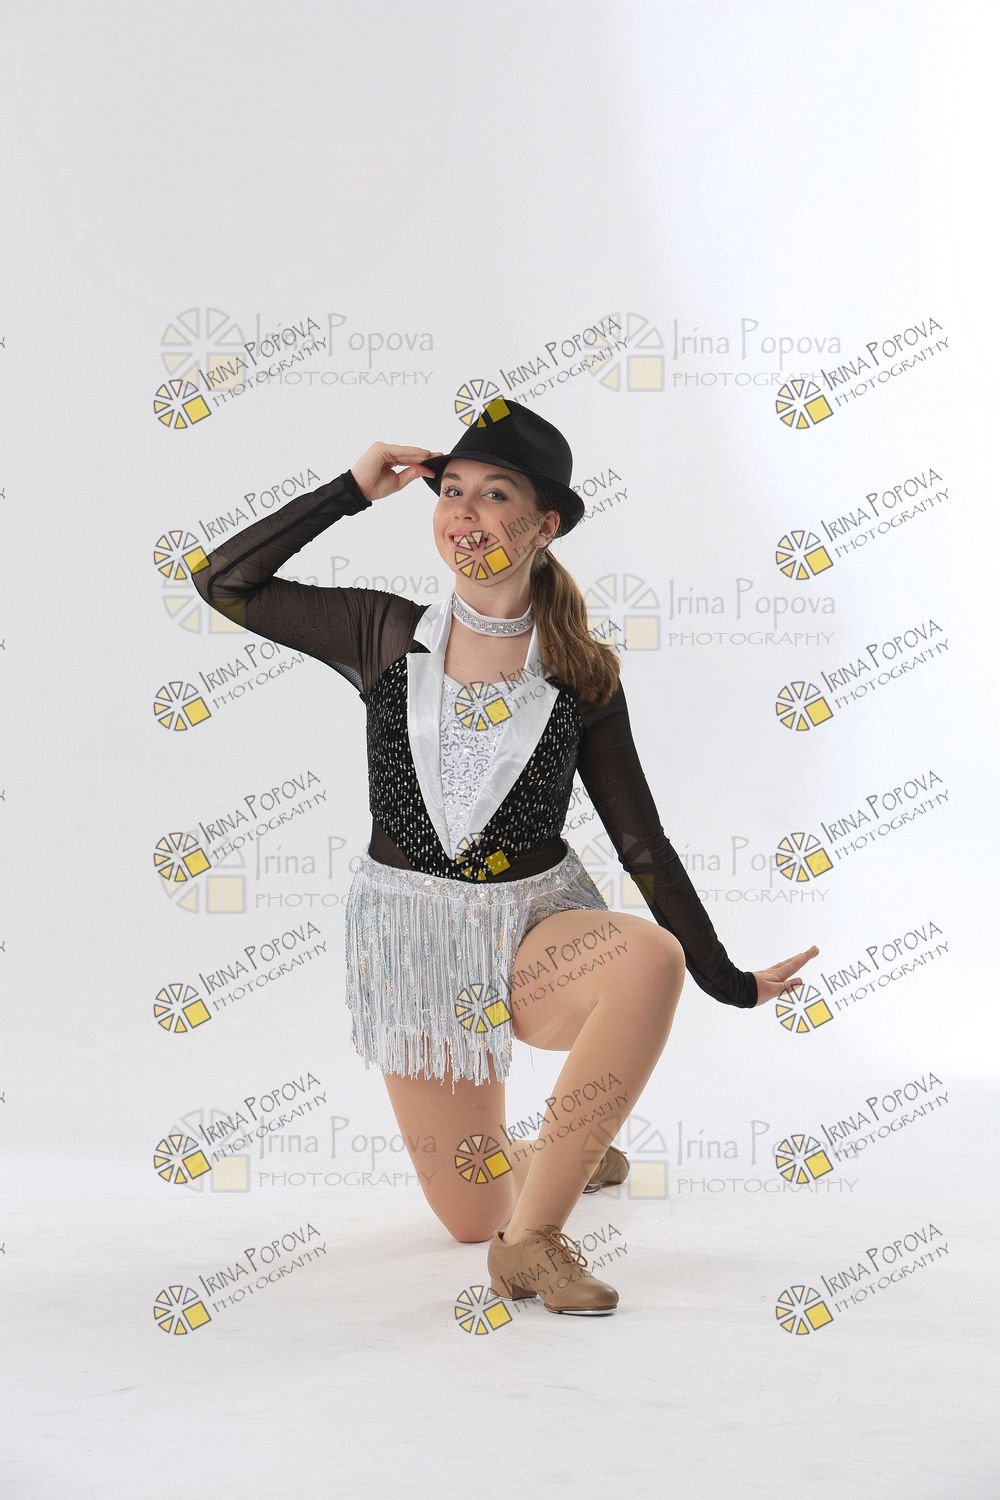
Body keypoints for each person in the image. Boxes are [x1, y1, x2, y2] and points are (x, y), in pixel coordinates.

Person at [190, 399, 819, 1316]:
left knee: (648, 958)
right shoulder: (383, 633)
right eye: (451, 491)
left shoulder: (580, 673)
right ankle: (567, 1151)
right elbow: (223, 582)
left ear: (543, 526)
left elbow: (641, 840)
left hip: (535, 935)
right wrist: (350, 490)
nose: (465, 513)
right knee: (468, 1212)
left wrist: (726, 979)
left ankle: (535, 1245)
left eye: (495, 495)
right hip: (417, 950)